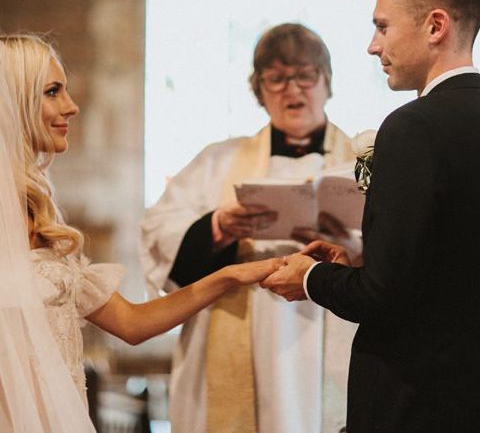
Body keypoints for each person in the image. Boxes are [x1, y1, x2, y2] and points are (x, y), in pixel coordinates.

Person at [262, 0, 480, 431]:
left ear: (436, 26)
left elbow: (383, 297)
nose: (374, 46)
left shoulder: (413, 128)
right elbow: (452, 276)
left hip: (416, 406)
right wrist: (354, 264)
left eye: (383, 27)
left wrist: (309, 278)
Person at [0, 34, 281, 432]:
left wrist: (232, 276)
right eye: (52, 91)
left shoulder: (39, 214)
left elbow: (131, 324)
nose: (71, 106)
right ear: (13, 102)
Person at [140, 23, 357, 433]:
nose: (292, 90)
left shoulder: (364, 162)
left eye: (305, 75)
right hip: (242, 338)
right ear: (258, 91)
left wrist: (346, 239)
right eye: (276, 79)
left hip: (333, 329)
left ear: (327, 81)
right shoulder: (216, 162)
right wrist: (219, 227)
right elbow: (158, 233)